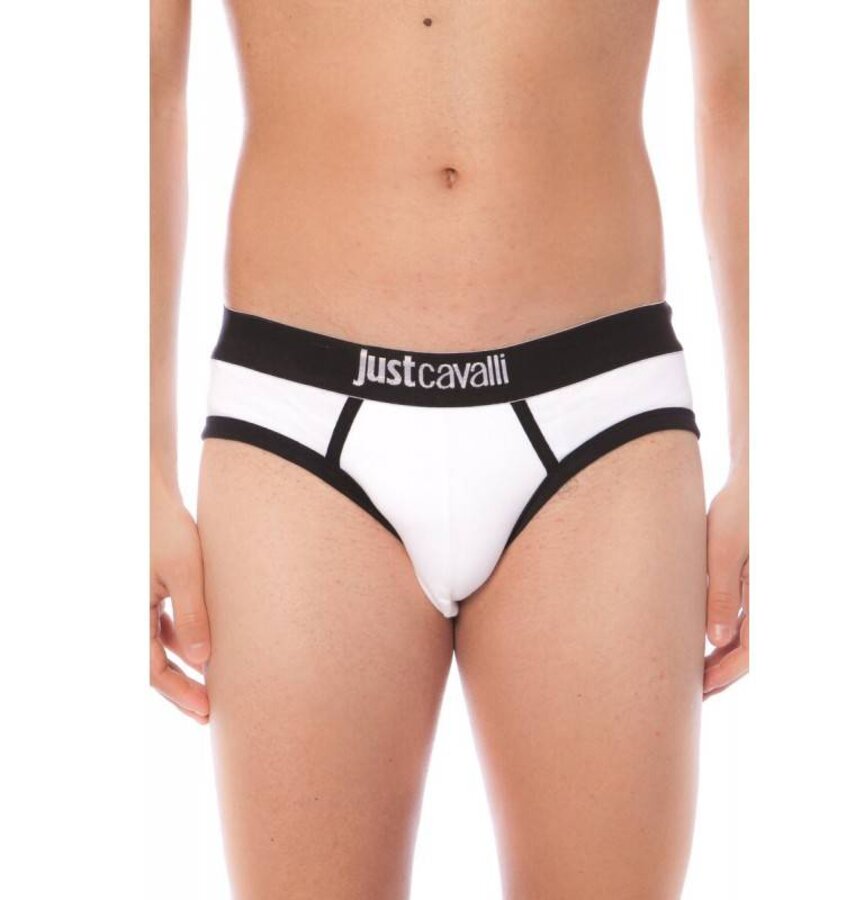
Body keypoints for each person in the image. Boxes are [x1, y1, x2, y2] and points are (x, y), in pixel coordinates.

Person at [150, 0, 748, 896]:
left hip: (601, 418)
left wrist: (773, 445)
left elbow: (744, 88)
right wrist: (138, 462)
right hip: (298, 426)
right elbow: (143, 85)